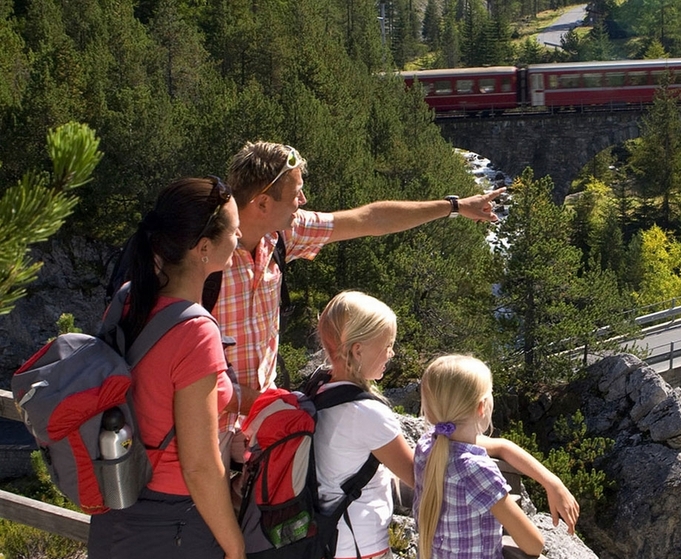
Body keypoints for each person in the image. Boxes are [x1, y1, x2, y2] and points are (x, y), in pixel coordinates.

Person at [214, 141, 506, 461]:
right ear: (263, 204)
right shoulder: (207, 258)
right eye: (296, 193)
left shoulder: (281, 235)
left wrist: (455, 206)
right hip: (210, 431)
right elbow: (195, 374)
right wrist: (278, 403)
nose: (304, 200)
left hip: (258, 426)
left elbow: (371, 220)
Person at [312, 291, 577, 559]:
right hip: (359, 544)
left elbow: (450, 453)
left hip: (332, 536)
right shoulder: (367, 414)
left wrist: (550, 480)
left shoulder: (320, 389)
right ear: (358, 350)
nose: (391, 353)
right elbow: (422, 477)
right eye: (387, 344)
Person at [88, 178, 245, 559]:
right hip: (171, 524)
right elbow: (199, 467)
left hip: (117, 503)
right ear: (204, 248)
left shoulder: (128, 299)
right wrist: (235, 547)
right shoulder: (196, 331)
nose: (240, 237)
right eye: (234, 230)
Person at [415, 354, 545, 559]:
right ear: (481, 407)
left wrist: (552, 483)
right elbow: (534, 544)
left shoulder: (426, 447)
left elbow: (490, 445)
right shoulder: (476, 469)